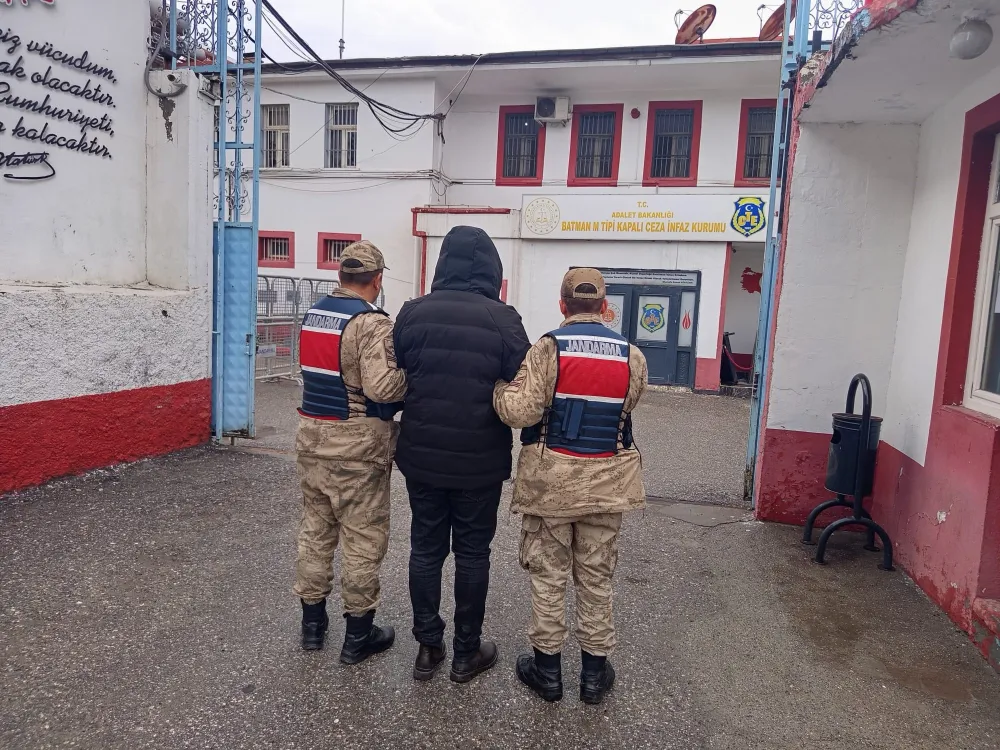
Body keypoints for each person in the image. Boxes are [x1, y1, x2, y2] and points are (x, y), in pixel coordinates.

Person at [493, 267, 648, 705]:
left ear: (562, 305)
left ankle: (548, 673)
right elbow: (629, 404)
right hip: (608, 482)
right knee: (596, 577)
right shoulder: (632, 355)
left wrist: (501, 390)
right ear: (604, 305)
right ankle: (594, 677)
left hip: (552, 485)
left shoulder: (548, 349)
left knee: (549, 577)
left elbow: (521, 412)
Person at [393, 225, 530, 683]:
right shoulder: (504, 319)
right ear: (492, 268)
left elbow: (400, 367)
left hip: (422, 458)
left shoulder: (412, 313)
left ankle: (428, 647)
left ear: (442, 263)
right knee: (473, 553)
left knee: (425, 548)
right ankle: (467, 653)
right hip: (479, 462)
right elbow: (522, 379)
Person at [293, 240, 406, 665]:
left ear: (340, 276)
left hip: (312, 438)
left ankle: (312, 626)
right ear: (377, 279)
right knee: (362, 539)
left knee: (316, 532)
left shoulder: (313, 314)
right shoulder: (372, 323)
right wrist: (412, 379)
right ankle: (358, 635)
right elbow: (381, 388)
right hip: (357, 445)